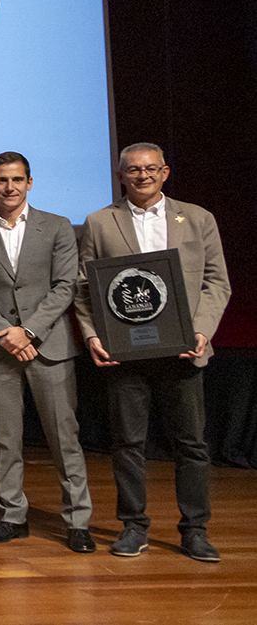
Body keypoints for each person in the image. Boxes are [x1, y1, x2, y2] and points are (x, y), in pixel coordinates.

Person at [75, 142, 231, 563]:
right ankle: (133, 526)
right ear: (120, 176)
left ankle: (195, 530)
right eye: (133, 170)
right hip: (125, 354)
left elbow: (216, 282)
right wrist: (92, 336)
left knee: (191, 445)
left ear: (164, 173)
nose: (142, 175)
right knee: (127, 443)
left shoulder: (197, 218)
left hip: (183, 352)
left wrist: (201, 331)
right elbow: (85, 287)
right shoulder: (99, 222)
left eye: (150, 169)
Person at [0, 152, 95, 553]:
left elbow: (65, 286)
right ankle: (12, 516)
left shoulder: (57, 226)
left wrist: (29, 331)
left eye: (17, 179)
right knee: (5, 440)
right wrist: (5, 333)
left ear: (30, 183)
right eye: (2, 180)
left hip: (49, 347)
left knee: (64, 439)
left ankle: (78, 521)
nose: (10, 187)